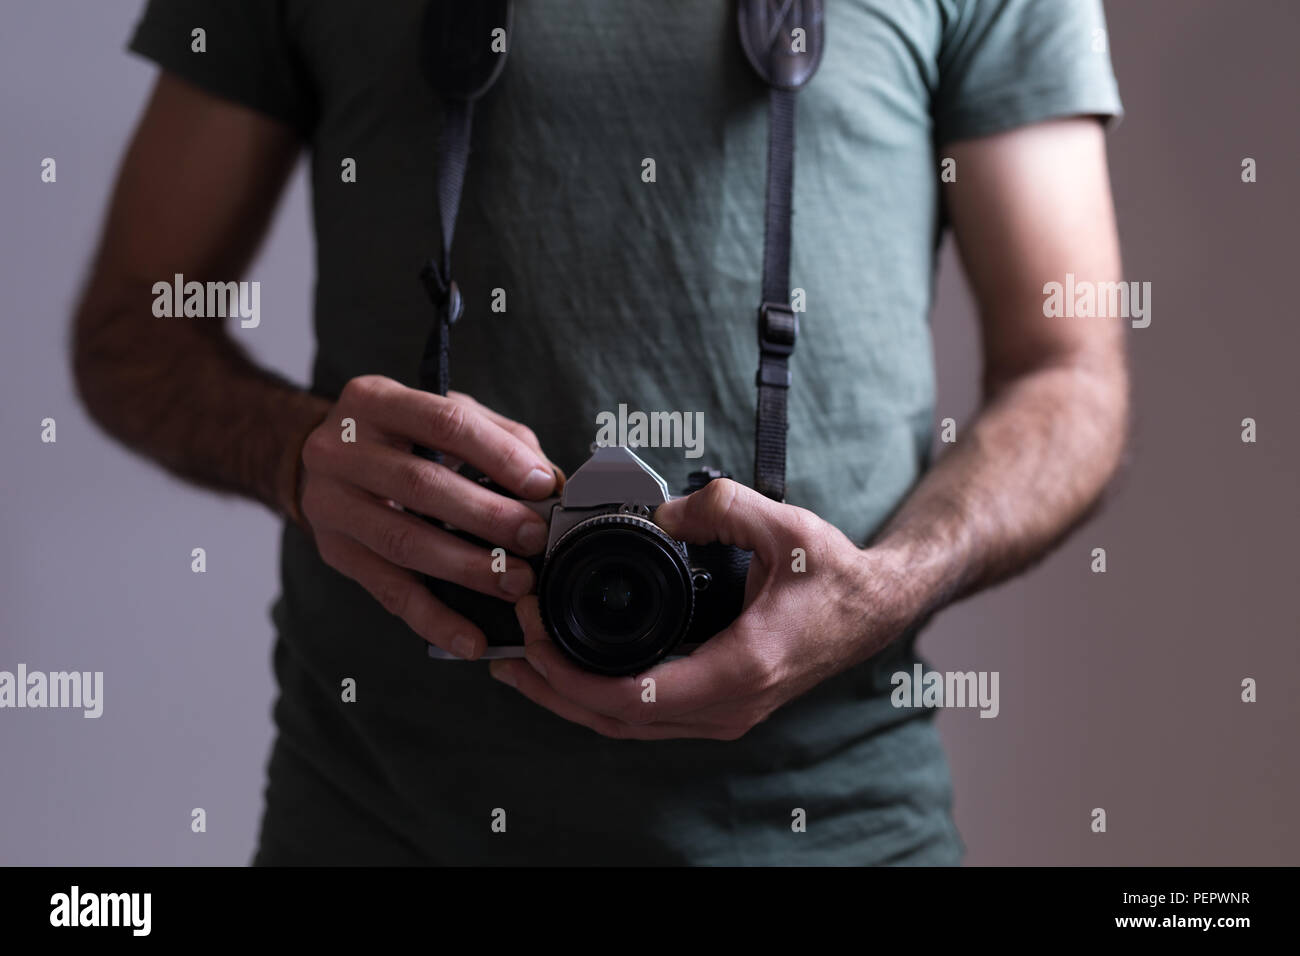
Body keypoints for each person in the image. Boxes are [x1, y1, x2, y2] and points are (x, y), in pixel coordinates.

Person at [72, 0, 1128, 865]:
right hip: (372, 820)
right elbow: (134, 329)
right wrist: (295, 453)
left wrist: (886, 583)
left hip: (842, 825)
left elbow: (1071, 372)